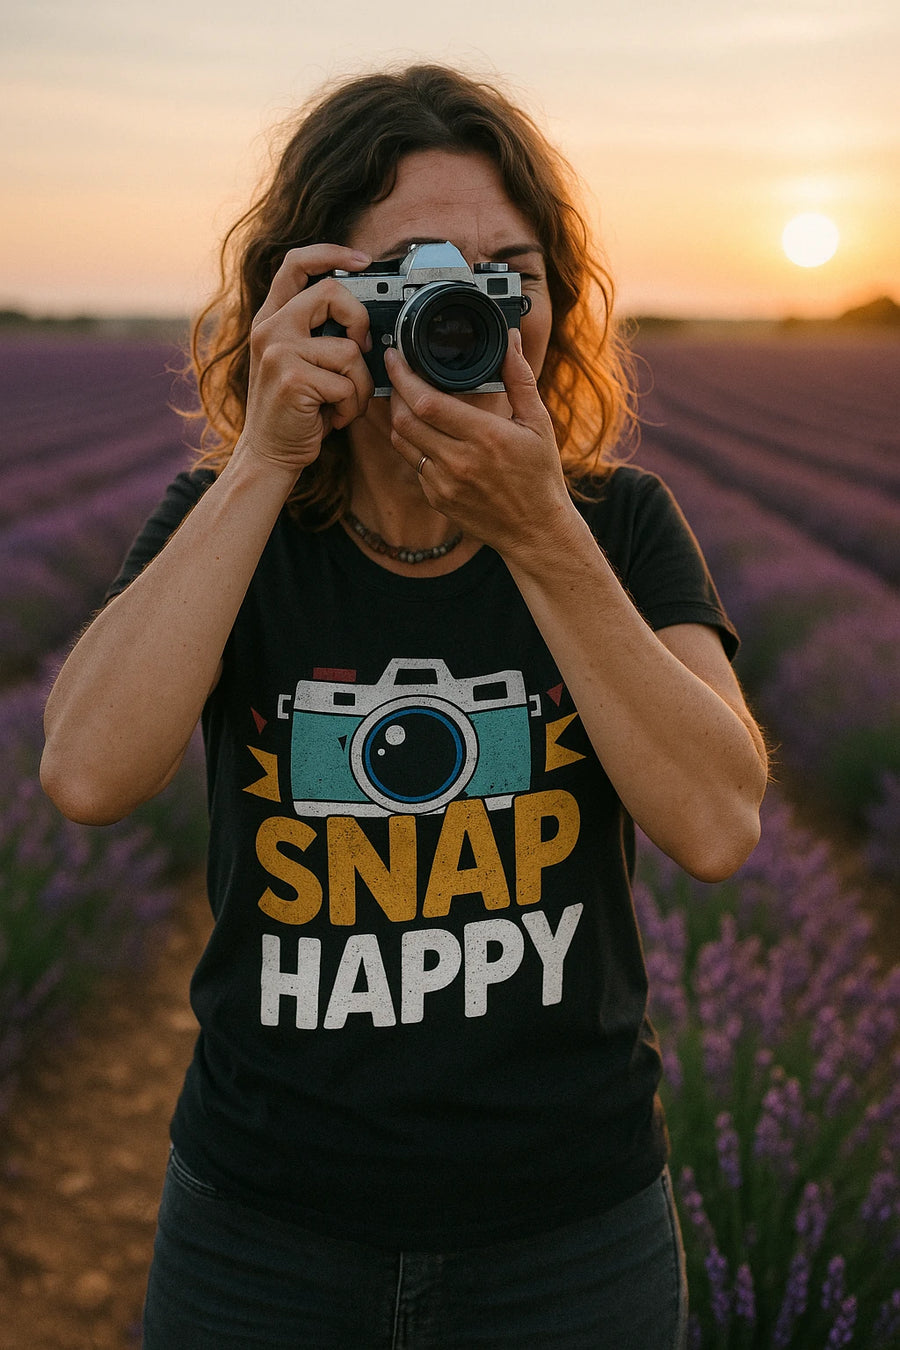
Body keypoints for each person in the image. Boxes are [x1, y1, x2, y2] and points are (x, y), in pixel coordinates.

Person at [41, 63, 768, 1350]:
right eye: (413, 273)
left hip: (567, 1235)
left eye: (508, 273)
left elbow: (716, 822)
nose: (461, 307)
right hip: (262, 1230)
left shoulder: (618, 524)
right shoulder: (242, 526)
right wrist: (263, 456)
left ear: (550, 302)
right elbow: (88, 775)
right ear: (314, 296)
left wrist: (543, 536)